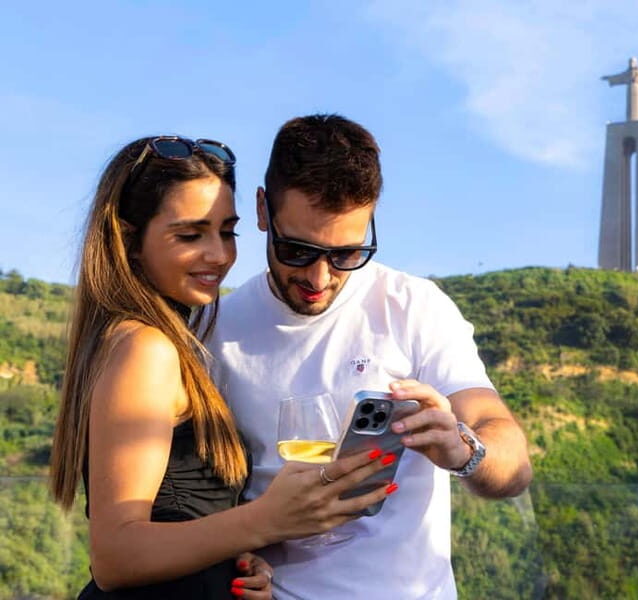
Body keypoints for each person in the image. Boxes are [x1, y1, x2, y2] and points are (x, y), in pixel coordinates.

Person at [49, 135, 392, 599]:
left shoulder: (158, 340)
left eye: (227, 231)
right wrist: (264, 520)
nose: (220, 255)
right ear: (130, 240)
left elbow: (173, 522)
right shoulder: (146, 348)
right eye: (190, 235)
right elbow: (115, 556)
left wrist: (234, 556)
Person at [207, 114, 533, 599]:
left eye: (346, 254)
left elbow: (514, 466)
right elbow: (202, 503)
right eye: (297, 250)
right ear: (261, 209)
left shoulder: (414, 307)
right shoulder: (216, 329)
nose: (319, 278)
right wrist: (235, 559)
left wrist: (463, 449)